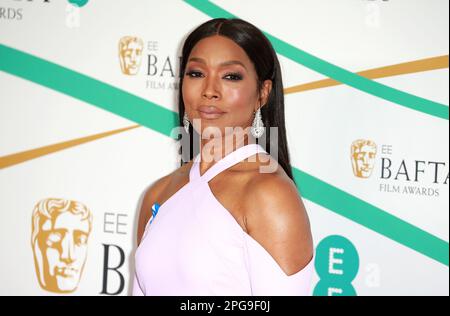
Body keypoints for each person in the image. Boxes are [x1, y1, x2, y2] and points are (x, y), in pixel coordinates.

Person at [133, 18, 314, 296]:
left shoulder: (269, 193)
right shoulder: (158, 194)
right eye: (196, 73)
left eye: (231, 76)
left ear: (263, 93)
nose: (209, 90)